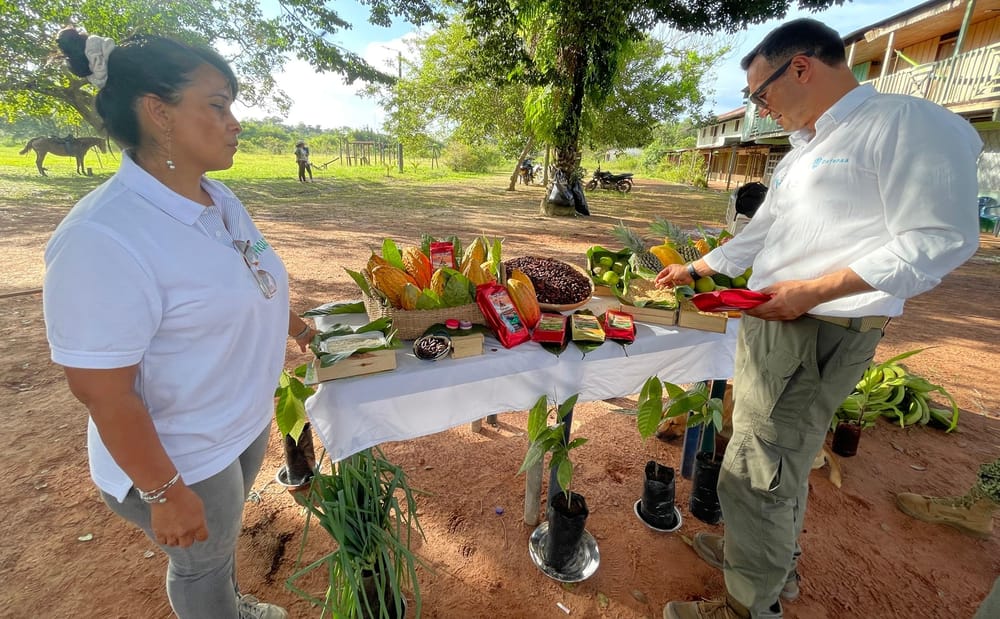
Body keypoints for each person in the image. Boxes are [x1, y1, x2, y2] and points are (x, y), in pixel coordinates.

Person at [654, 18, 981, 619]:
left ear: (800, 66)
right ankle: (767, 569)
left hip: (816, 330)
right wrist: (699, 267)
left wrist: (813, 291)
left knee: (758, 470)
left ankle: (750, 606)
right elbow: (768, 233)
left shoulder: (906, 124)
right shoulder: (805, 151)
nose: (760, 107)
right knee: (778, 461)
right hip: (778, 323)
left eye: (761, 93)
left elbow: (940, 238)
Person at [46, 27, 316, 619]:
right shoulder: (104, 237)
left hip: (236, 422)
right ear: (157, 112)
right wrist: (164, 492)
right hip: (181, 455)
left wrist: (296, 327)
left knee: (217, 552)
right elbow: (102, 391)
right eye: (217, 106)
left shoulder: (217, 200)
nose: (235, 122)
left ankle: (228, 604)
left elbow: (251, 280)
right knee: (202, 564)